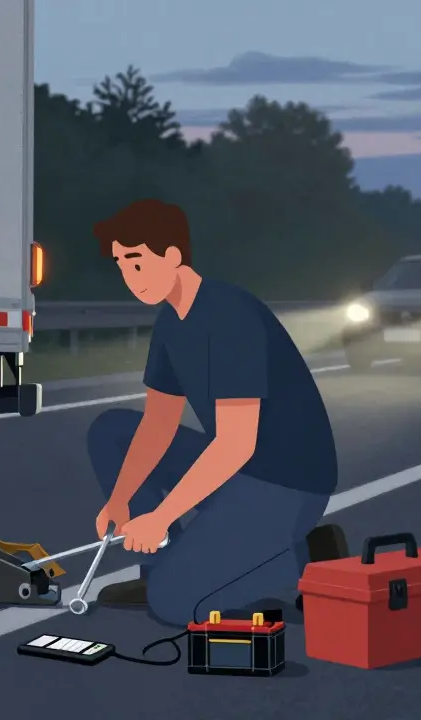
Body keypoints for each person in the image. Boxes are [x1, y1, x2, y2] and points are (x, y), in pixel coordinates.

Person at [87, 198, 349, 627]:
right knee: (112, 430)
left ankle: (297, 561)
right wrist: (120, 501)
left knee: (173, 604)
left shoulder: (228, 316)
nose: (128, 277)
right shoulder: (172, 321)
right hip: (239, 476)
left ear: (172, 255)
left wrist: (162, 516)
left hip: (285, 482)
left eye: (135, 262)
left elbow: (236, 443)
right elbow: (158, 423)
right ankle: (165, 565)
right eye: (120, 265)